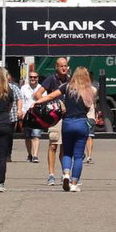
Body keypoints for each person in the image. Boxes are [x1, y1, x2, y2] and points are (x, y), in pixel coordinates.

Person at [41, 66, 97, 192]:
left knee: (67, 152)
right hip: (82, 123)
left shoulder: (66, 87)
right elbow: (89, 107)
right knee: (78, 156)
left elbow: (50, 97)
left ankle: (66, 173)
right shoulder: (91, 90)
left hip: (67, 123)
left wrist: (38, 102)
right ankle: (74, 183)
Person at [41, 56, 70, 185]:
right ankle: (51, 175)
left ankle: (65, 174)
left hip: (68, 116)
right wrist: (47, 105)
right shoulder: (51, 79)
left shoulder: (71, 80)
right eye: (61, 66)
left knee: (65, 147)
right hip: (55, 117)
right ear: (56, 67)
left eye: (65, 66)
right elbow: (38, 93)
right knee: (53, 145)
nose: (64, 68)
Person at [17, 68, 41, 162]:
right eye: (31, 77)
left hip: (37, 115)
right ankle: (29, 154)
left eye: (35, 77)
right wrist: (21, 111)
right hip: (26, 115)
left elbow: (45, 100)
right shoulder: (23, 88)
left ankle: (35, 155)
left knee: (36, 135)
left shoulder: (41, 88)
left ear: (38, 78)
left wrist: (38, 96)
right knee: (27, 136)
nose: (33, 79)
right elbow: (21, 100)